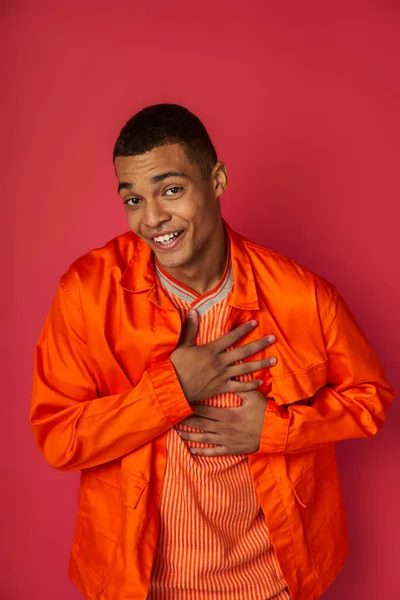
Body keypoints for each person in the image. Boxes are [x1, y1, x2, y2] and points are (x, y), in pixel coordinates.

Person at [30, 104, 394, 600]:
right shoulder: (87, 293)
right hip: (134, 584)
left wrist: (274, 430)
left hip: (271, 583)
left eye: (171, 190)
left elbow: (369, 397)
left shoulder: (302, 296)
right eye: (133, 199)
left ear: (217, 179)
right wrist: (172, 387)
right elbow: (59, 437)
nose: (153, 218)